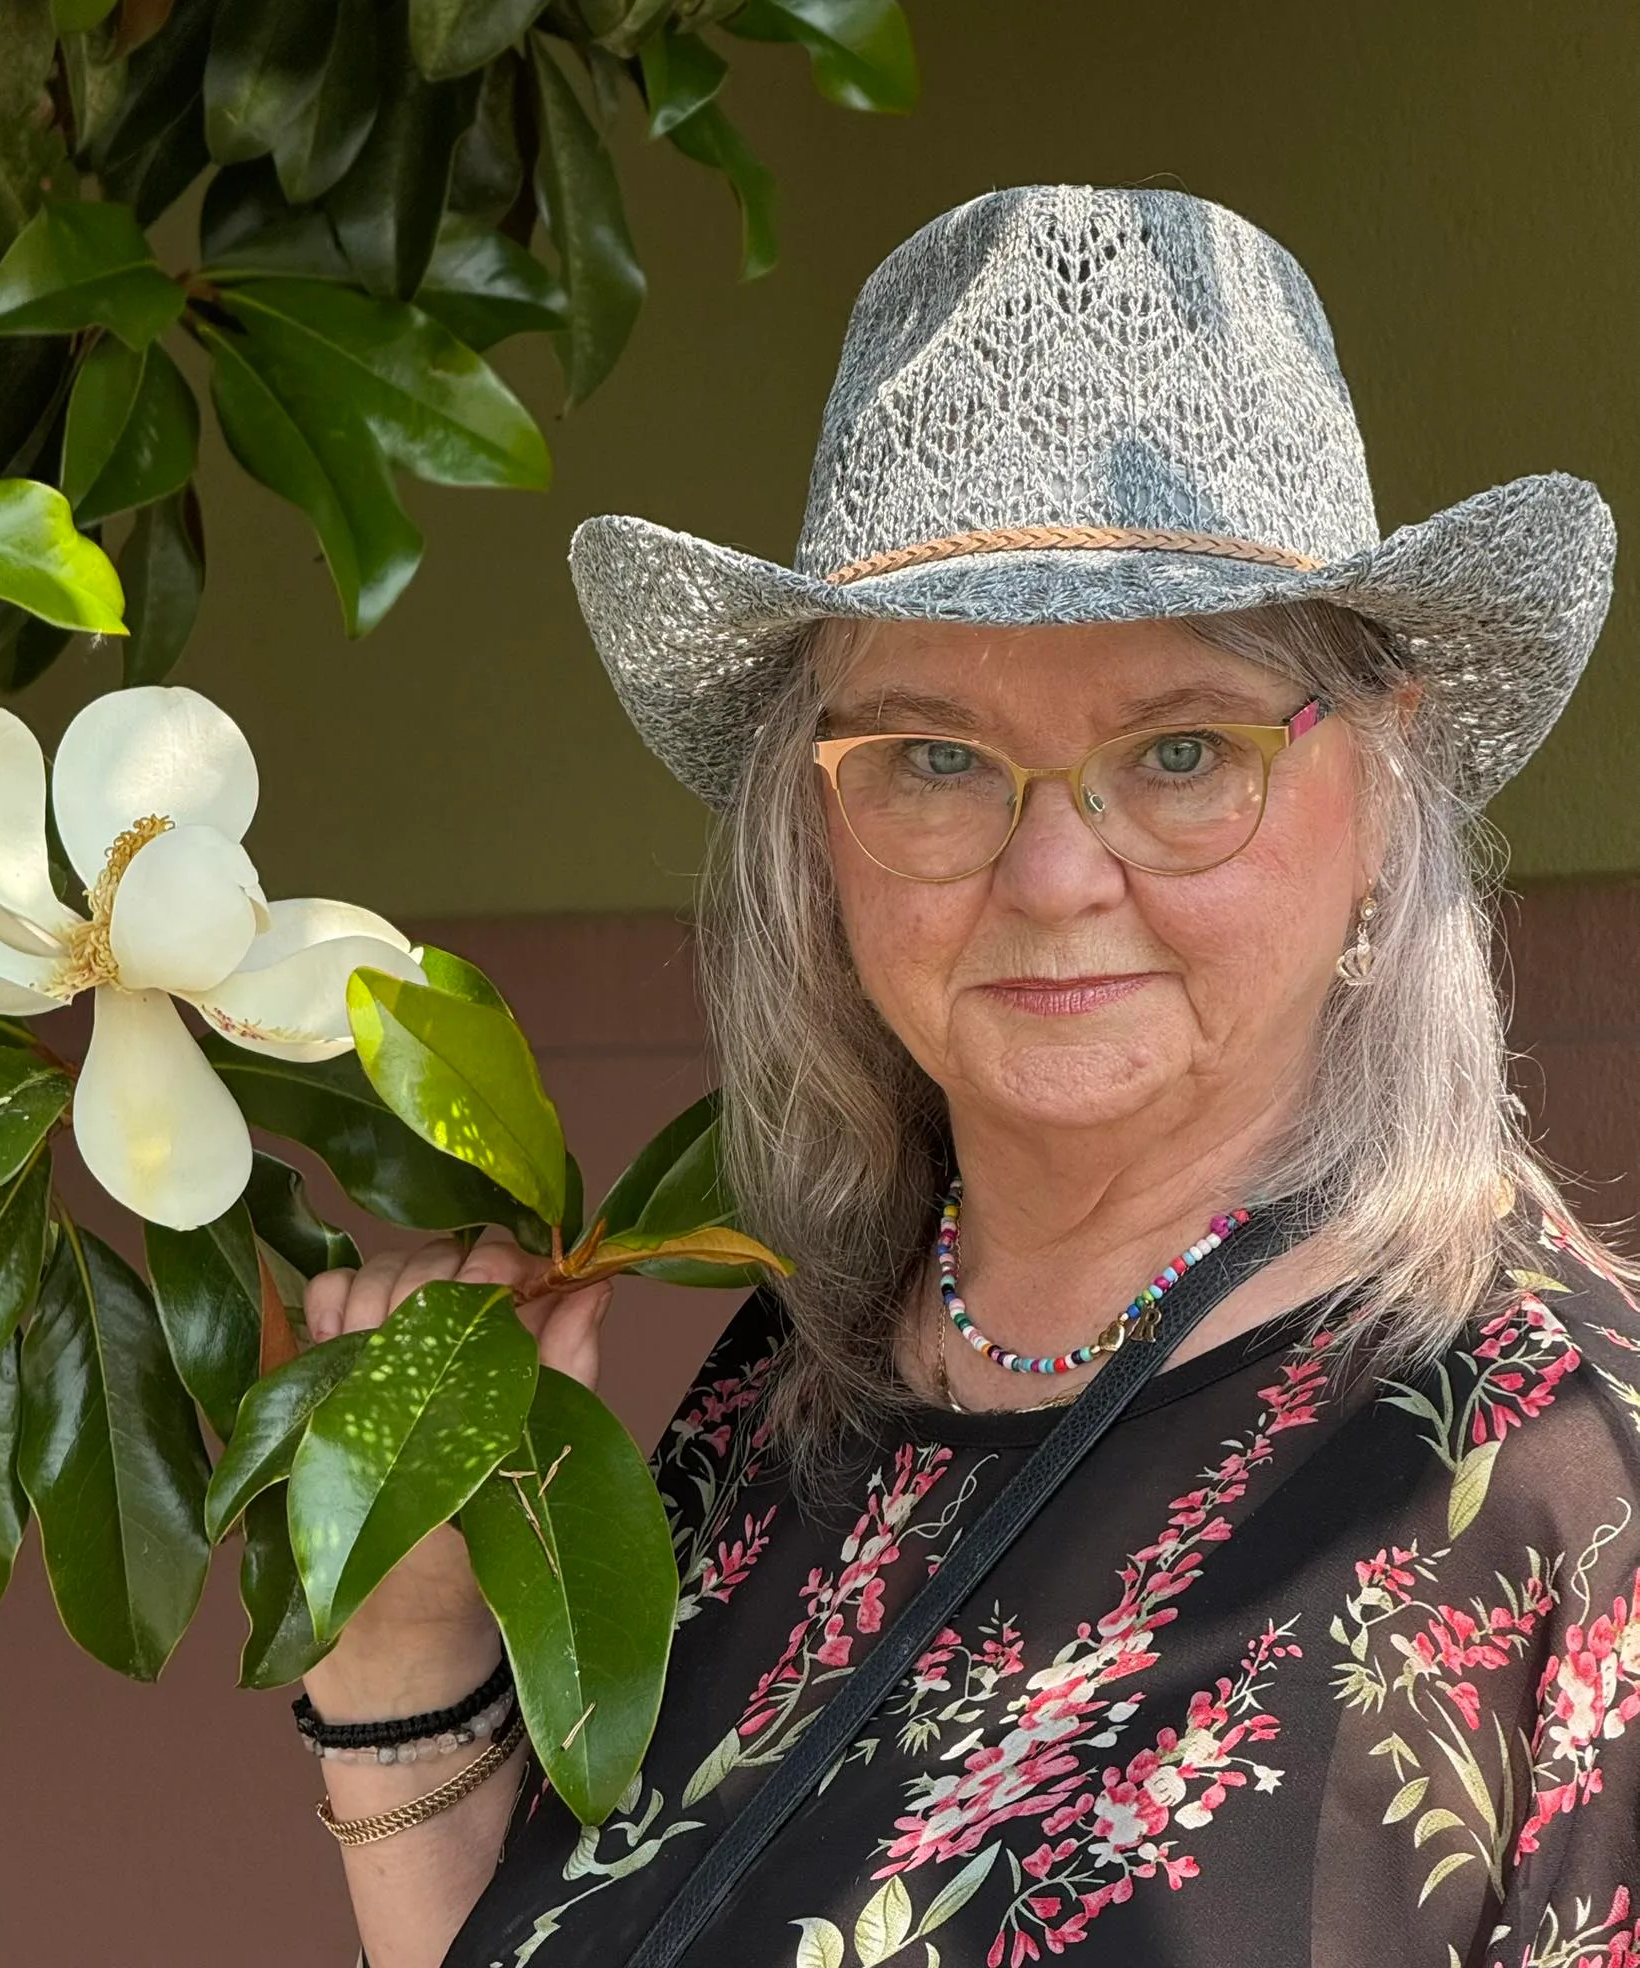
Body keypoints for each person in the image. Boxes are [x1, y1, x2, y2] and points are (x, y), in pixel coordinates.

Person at [297, 187, 1640, 1968]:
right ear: (817, 822)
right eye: (934, 754)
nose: (1052, 876)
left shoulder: (1562, 1487)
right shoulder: (794, 1385)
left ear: (1380, 789)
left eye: (1179, 750)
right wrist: (403, 1653)